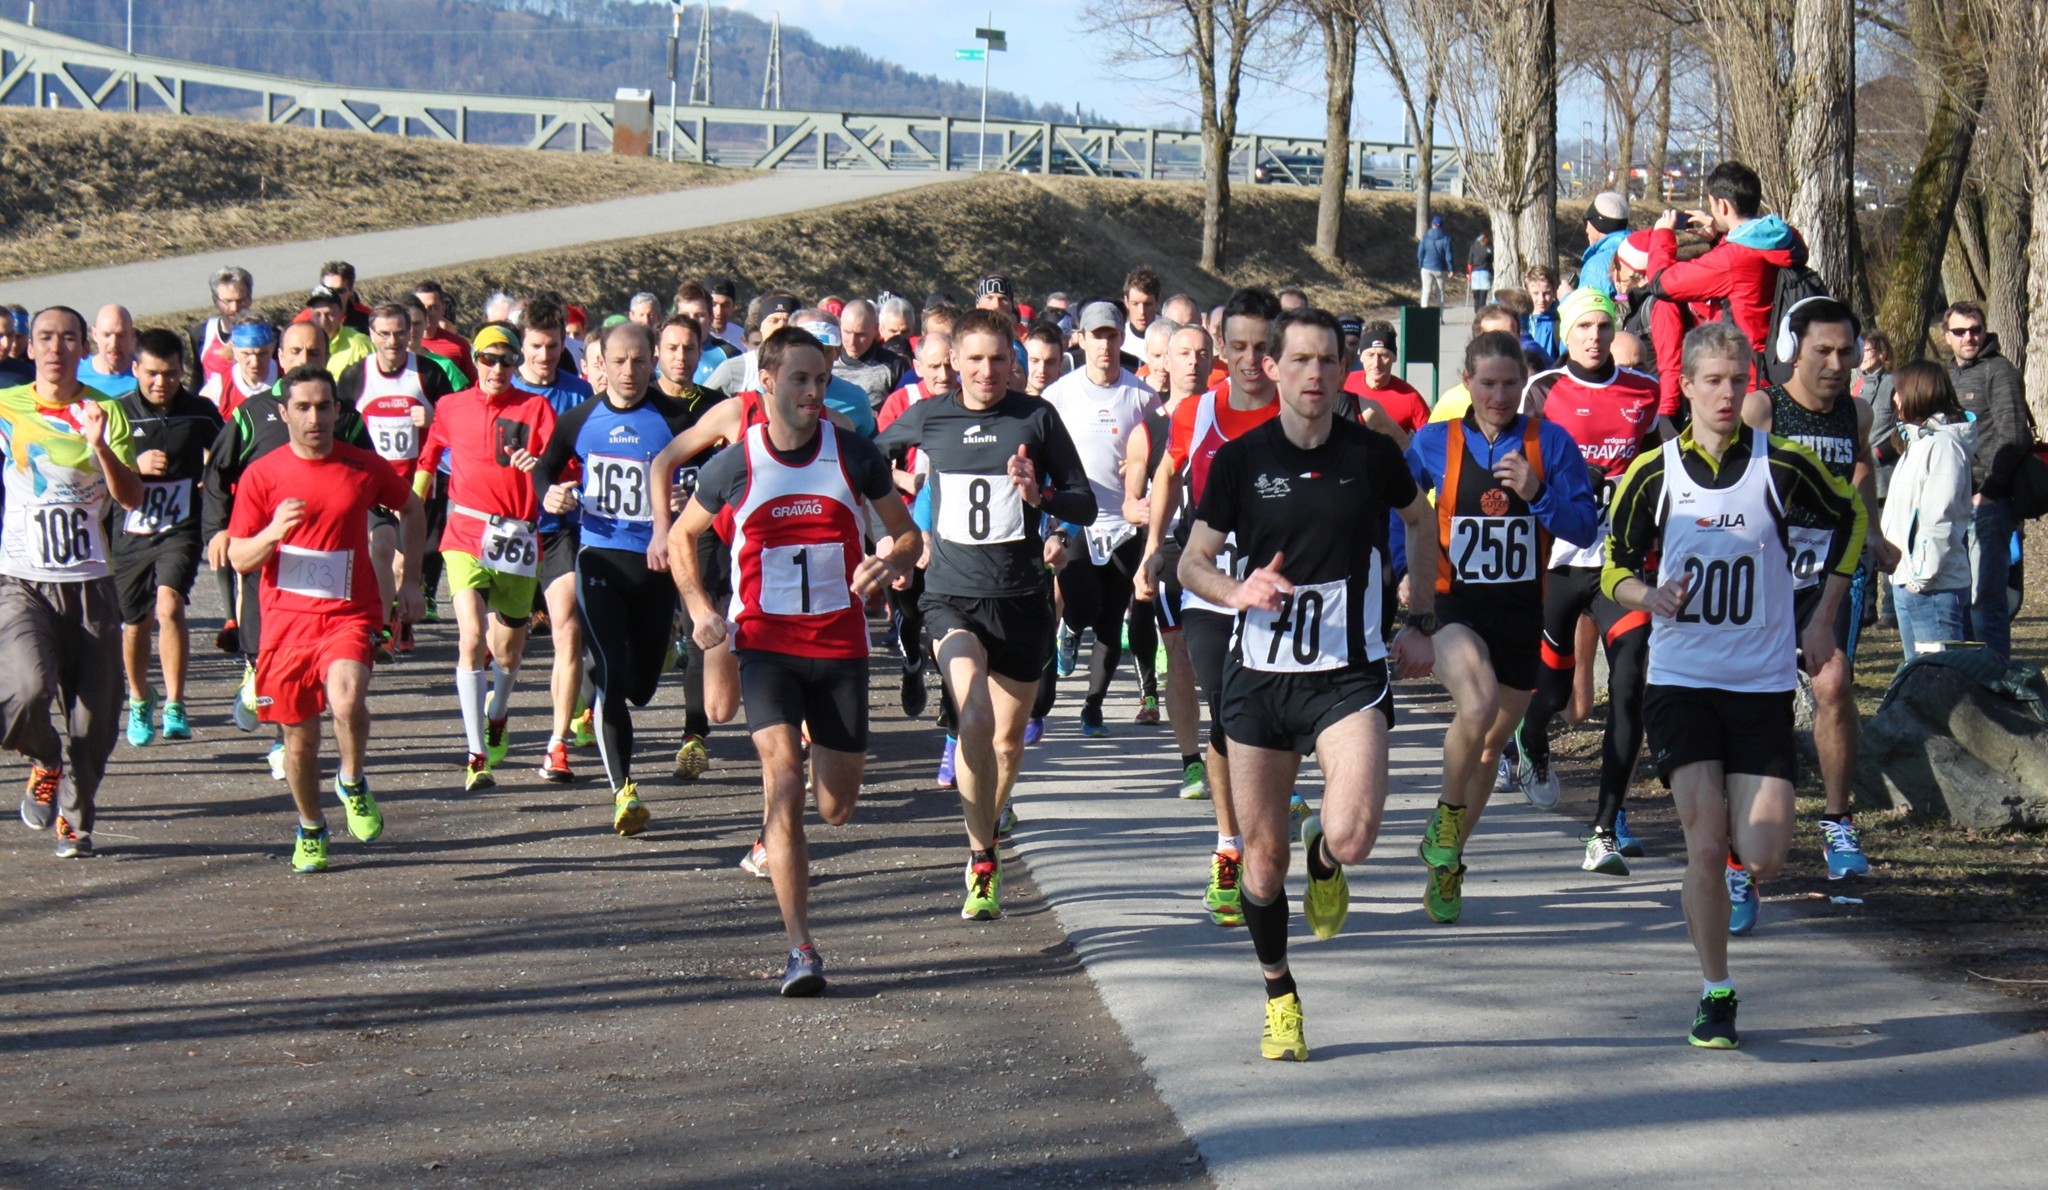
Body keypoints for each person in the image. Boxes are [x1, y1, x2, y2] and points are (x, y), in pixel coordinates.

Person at [1176, 306, 1434, 1061]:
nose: (1315, 374)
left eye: (1327, 360)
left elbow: (1421, 523)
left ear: (1342, 370)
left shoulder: (1372, 453)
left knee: (1353, 835)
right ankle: (1280, 995)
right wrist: (1237, 591)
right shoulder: (1241, 461)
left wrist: (1420, 616)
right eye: (1300, 360)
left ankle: (1325, 859)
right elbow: (1191, 562)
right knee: (1261, 863)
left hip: (1347, 673)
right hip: (1259, 678)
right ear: (1273, 369)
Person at [1604, 321, 1865, 1048]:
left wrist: (1823, 619)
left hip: (1758, 685)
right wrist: (1647, 596)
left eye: (1737, 381)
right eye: (1712, 381)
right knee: (1702, 837)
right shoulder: (1654, 472)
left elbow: (1850, 519)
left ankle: (1736, 864)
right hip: (1681, 681)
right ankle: (1716, 991)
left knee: (1766, 855)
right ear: (1686, 386)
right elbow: (1613, 564)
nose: (1726, 394)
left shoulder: (1780, 465)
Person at [673, 326, 920, 995]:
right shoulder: (737, 464)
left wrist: (888, 560)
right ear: (767, 383)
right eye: (800, 380)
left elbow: (907, 534)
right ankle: (801, 948)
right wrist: (700, 609)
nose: (814, 392)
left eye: (821, 380)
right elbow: (682, 536)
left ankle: (801, 803)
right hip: (766, 648)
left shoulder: (853, 455)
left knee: (835, 809)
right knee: (783, 781)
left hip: (840, 650)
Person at [874, 308, 1095, 922]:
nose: (987, 371)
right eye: (974, 359)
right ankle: (981, 859)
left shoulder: (1035, 417)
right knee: (973, 714)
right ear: (954, 362)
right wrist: (893, 528)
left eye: (998, 359)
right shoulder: (929, 416)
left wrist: (1040, 494)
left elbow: (1084, 501)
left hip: (1021, 601)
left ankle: (987, 833)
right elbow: (863, 460)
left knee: (1006, 744)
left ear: (1012, 362)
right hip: (950, 597)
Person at [1406, 331, 1601, 922]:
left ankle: (1449, 861)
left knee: (1491, 745)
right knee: (1478, 702)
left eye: (1510, 384)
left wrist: (1538, 492)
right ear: (1466, 381)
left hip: (1520, 612)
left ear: (1524, 384)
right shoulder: (1434, 441)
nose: (1498, 395)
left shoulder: (1551, 442)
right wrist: (1402, 571)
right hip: (1455, 606)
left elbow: (1584, 527)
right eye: (1487, 383)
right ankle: (1446, 814)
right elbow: (1400, 511)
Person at [227, 365, 426, 873]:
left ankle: (352, 780)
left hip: (348, 615)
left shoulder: (361, 465)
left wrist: (411, 581)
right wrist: (273, 532)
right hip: (285, 626)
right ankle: (311, 826)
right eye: (303, 407)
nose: (314, 418)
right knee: (300, 741)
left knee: (347, 698)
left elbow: (412, 508)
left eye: (323, 407)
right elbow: (239, 557)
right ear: (284, 413)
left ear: (338, 411)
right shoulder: (262, 474)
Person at [1511, 289, 1669, 874]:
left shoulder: (1643, 391)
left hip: (1619, 568)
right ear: (1567, 332)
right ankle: (1531, 739)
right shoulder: (1543, 388)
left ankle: (1607, 825)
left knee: (1627, 684)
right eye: (1583, 326)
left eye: (1603, 326)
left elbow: (1661, 467)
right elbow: (1519, 467)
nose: (1595, 337)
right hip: (1559, 562)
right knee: (1552, 694)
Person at [1140, 287, 1284, 927]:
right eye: (1240, 347)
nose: (1251, 360)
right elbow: (1167, 474)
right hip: (1209, 584)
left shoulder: (1298, 409)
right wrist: (1154, 546)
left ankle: (1275, 821)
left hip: (1281, 591)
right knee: (1225, 711)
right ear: (1222, 347)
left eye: (1262, 347)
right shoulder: (1196, 412)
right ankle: (1229, 847)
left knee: (1273, 724)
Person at [1741, 297, 1896, 883]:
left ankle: (1837, 822)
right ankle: (1745, 831)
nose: (1835, 364)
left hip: (1828, 574)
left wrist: (1873, 530)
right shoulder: (1764, 407)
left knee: (1833, 682)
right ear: (1792, 351)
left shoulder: (1856, 411)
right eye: (1822, 351)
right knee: (1763, 699)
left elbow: (1861, 468)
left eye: (1845, 351)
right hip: (1765, 576)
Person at [535, 322, 700, 834]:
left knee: (642, 687)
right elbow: (544, 469)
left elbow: (717, 473)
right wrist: (550, 495)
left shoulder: (676, 418)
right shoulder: (580, 419)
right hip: (599, 558)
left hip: (655, 565)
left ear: (653, 362)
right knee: (609, 673)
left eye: (639, 361)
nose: (629, 371)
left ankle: (641, 659)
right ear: (600, 364)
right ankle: (624, 792)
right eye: (619, 361)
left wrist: (691, 495)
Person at [2, 306, 145, 858]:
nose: (56, 348)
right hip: (21, 580)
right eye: (45, 337)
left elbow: (131, 497)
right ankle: (44, 758)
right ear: (29, 347)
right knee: (24, 691)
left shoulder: (106, 410)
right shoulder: (6, 406)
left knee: (95, 720)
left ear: (83, 347)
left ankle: (75, 817)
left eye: (67, 338)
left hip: (89, 583)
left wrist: (101, 446)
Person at [203, 320, 374, 778]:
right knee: (266, 649)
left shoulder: (345, 418)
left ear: (327, 356)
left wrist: (384, 538)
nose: (303, 360)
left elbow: (373, 483)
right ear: (280, 357)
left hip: (330, 563)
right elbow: (218, 472)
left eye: (313, 353)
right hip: (268, 553)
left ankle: (290, 736)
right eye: (295, 352)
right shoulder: (253, 413)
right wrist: (217, 529)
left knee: (331, 673)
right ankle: (270, 706)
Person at [414, 324, 558, 791]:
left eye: (506, 360)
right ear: (474, 360)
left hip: (518, 537)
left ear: (517, 363)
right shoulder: (451, 406)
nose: (497, 368)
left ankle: (498, 712)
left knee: (509, 652)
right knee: (472, 637)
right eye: (487, 359)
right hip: (466, 532)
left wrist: (542, 469)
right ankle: (476, 754)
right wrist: (411, 504)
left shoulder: (535, 408)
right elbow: (430, 456)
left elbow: (565, 467)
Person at [1042, 301, 1161, 736]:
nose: (1105, 345)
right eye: (1097, 336)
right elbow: (1042, 454)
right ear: (1081, 340)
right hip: (1075, 519)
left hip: (1125, 523)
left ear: (1121, 339)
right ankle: (1071, 627)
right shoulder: (1059, 395)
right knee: (1083, 603)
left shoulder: (1142, 396)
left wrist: (1143, 471)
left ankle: (1093, 706)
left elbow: (1161, 456)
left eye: (1112, 335)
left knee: (1111, 619)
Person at [113, 329, 224, 747]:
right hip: (131, 534)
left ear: (183, 371)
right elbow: (95, 470)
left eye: (172, 374)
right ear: (136, 369)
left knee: (169, 604)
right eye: (153, 374)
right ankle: (140, 698)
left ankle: (176, 704)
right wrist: (133, 464)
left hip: (180, 529)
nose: (162, 383)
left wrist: (212, 476)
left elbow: (227, 455)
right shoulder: (118, 413)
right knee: (135, 624)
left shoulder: (200, 412)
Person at [336, 303, 456, 656]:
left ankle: (402, 616)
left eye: (400, 333)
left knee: (405, 563)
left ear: (411, 333)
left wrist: (434, 418)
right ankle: (384, 627)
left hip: (418, 484)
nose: (393, 341)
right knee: (382, 550)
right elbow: (341, 427)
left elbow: (455, 422)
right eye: (385, 334)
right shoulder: (355, 375)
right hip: (372, 483)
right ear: (371, 335)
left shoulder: (429, 373)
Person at [1129, 322, 1216, 800]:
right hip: (1174, 552)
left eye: (1202, 353)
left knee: (1229, 659)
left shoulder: (1228, 412)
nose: (1193, 362)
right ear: (1165, 361)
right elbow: (1131, 500)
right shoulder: (1150, 429)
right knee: (1179, 654)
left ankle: (1236, 749)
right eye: (1184, 353)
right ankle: (1191, 762)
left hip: (1226, 552)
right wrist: (1149, 545)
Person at [1646, 161, 1805, 415]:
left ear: (1722, 206)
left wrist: (1662, 234)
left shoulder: (1733, 258)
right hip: (1782, 371)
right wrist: (1718, 239)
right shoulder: (1784, 238)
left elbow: (1661, 283)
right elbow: (1749, 276)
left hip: (1747, 382)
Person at [515, 300, 599, 779]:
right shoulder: (505, 391)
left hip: (560, 531)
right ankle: (497, 704)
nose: (544, 356)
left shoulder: (579, 394)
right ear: (521, 345)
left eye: (552, 346)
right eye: (536, 347)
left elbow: (596, 461)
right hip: (510, 529)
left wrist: (574, 487)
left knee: (567, 629)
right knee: (503, 648)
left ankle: (556, 743)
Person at [1941, 301, 2029, 660]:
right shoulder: (1949, 374)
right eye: (1960, 331)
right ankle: (1972, 679)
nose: (1969, 337)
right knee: (1960, 597)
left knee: (1985, 601)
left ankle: (1996, 682)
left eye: (1975, 329)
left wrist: (1990, 492)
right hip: (1954, 500)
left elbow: (2015, 435)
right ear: (1947, 336)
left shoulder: (1999, 370)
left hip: (1987, 503)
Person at [1881, 361, 1977, 659]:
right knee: (1918, 678)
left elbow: (1939, 517)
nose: (1894, 399)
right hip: (1908, 582)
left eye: (1898, 391)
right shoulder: (1918, 444)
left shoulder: (1944, 447)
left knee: (1939, 681)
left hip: (1933, 589)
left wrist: (1920, 577)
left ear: (1917, 393)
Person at [1430, 306, 1524, 424]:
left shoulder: (1537, 391)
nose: (1500, 398)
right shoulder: (1450, 404)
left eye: (1508, 338)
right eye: (1491, 339)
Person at [1339, 321, 1429, 438]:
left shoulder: (1410, 398)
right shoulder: (1344, 382)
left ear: (1394, 357)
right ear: (1361, 357)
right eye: (1370, 355)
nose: (1376, 363)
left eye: (1383, 355)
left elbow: (1431, 440)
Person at [186, 266, 253, 391]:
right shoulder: (201, 334)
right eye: (228, 301)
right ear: (215, 301)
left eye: (240, 301)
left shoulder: (268, 335)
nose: (234, 308)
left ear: (250, 299)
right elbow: (198, 377)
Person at [200, 313, 280, 416]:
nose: (255, 362)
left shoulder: (287, 378)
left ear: (273, 347)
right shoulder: (218, 389)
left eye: (262, 354)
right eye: (246, 354)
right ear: (234, 349)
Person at [834, 298, 905, 412]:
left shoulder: (895, 366)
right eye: (847, 332)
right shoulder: (826, 362)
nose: (852, 342)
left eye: (860, 335)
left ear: (876, 329)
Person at [304, 289, 372, 379]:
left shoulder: (359, 346)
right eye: (317, 315)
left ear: (341, 314)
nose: (323, 321)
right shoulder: (302, 345)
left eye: (329, 314)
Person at [77, 305, 139, 399]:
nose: (113, 344)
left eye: (121, 335)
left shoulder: (145, 375)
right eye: (106, 335)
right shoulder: (74, 375)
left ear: (132, 335)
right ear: (95, 334)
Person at [1579, 192, 1632, 299]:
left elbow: (1588, 307)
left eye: (1586, 221)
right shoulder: (1639, 251)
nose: (1586, 230)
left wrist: (1567, 296)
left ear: (1598, 224)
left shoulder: (1596, 266)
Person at [1521, 267, 1562, 366]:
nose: (1541, 299)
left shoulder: (1559, 322)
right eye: (1535, 293)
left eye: (1546, 293)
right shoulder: (1519, 321)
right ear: (1526, 293)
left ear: (1554, 292)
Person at [318, 261, 373, 333]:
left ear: (351, 291)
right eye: (328, 290)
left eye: (339, 291)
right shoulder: (307, 319)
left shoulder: (368, 317)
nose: (333, 295)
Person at [1418, 215, 1454, 308]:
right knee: (1440, 292)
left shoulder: (1425, 237)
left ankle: (1424, 312)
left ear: (1432, 224)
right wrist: (1450, 269)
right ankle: (1439, 315)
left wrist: (1421, 264)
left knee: (1426, 291)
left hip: (1426, 267)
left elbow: (1420, 253)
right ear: (1441, 226)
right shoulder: (1446, 238)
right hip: (1440, 268)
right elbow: (1448, 256)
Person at [1123, 267, 1163, 344]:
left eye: (1148, 304)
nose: (1142, 312)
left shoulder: (1171, 338)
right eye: (1135, 304)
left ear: (1157, 301)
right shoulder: (1119, 342)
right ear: (1126, 302)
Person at [1468, 232, 1494, 310]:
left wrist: (1469, 273)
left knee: (1476, 298)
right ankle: (1481, 313)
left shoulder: (1474, 246)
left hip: (1475, 273)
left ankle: (1477, 311)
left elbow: (1470, 260)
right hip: (1485, 272)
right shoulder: (1490, 247)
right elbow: (1492, 259)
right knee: (1483, 298)